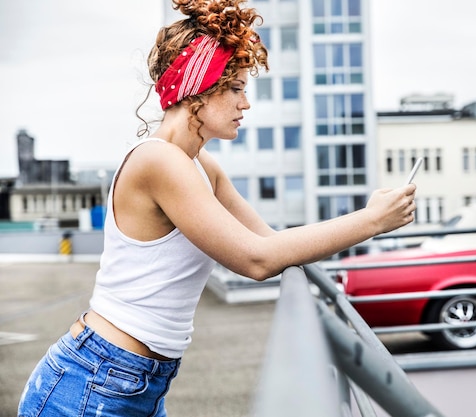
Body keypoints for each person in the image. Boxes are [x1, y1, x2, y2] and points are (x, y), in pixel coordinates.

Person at [17, 0, 416, 415]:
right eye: (237, 88)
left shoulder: (198, 165)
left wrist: (370, 220)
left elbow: (270, 243)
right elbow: (256, 260)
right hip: (94, 383)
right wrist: (372, 221)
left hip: (136, 383)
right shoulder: (159, 160)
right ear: (199, 88)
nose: (246, 104)